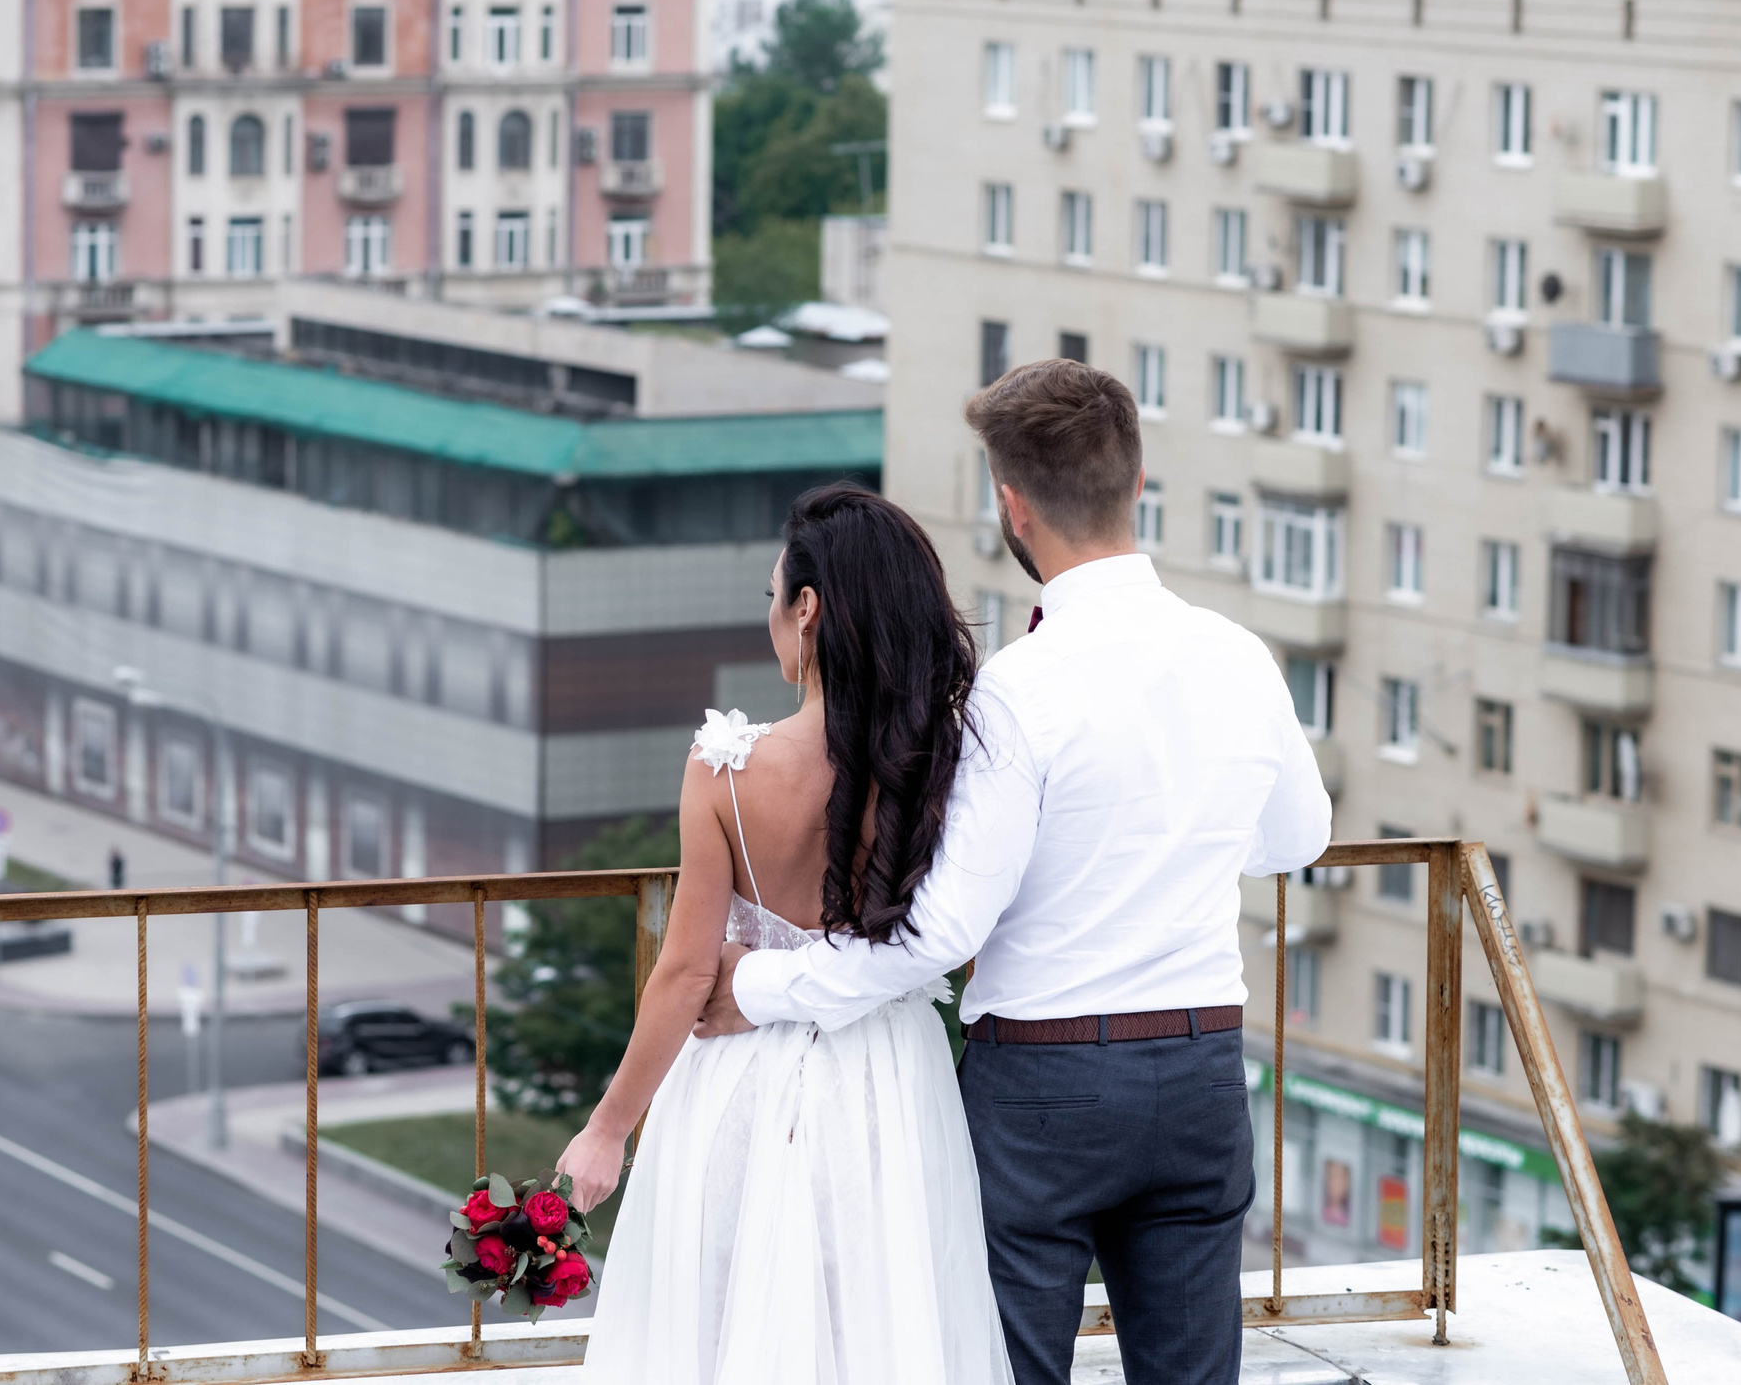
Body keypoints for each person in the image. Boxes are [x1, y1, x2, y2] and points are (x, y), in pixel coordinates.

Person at [697, 358, 1332, 1385]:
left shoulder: (1019, 689)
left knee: (1005, 1368)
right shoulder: (1238, 654)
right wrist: (1170, 836)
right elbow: (1298, 836)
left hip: (1045, 1087)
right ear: (1136, 483)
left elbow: (940, 934)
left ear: (1010, 504)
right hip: (1203, 1063)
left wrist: (758, 984)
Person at [558, 483, 1012, 1385]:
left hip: (740, 1072)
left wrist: (609, 1127)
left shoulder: (725, 769)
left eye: (773, 596)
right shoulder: (945, 759)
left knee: (728, 1318)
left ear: (807, 610)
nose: (768, 616)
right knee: (886, 1316)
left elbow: (686, 972)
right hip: (890, 1069)